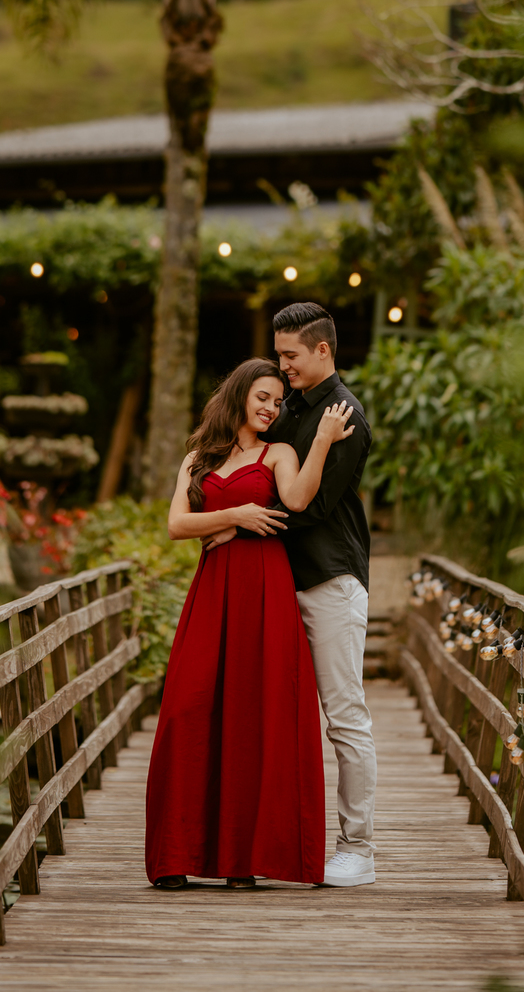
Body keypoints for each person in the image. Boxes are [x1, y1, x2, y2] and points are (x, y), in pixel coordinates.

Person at [144, 357, 357, 890]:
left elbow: (299, 499)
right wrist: (235, 518)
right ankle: (175, 855)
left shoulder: (279, 452)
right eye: (262, 396)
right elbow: (176, 524)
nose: (271, 407)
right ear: (238, 395)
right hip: (213, 591)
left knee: (251, 714)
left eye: (277, 400)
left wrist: (325, 439)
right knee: (187, 709)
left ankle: (242, 859)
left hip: (265, 591)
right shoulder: (198, 457)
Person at [207, 303, 377, 889]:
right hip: (275, 587)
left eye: (290, 356)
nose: (283, 367)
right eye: (279, 356)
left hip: (329, 582)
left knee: (344, 716)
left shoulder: (344, 414)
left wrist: (237, 523)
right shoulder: (287, 408)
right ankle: (266, 842)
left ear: (322, 350)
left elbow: (316, 506)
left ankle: (358, 848)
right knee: (271, 718)